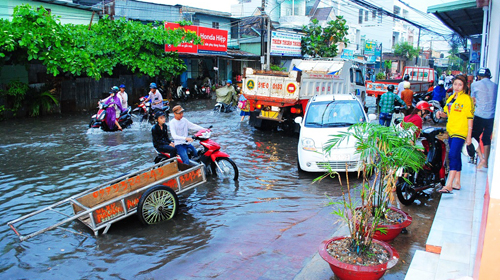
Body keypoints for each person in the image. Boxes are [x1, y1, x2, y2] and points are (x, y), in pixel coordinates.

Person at [436, 75, 475, 193]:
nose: (457, 87)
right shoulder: (451, 98)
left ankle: (449, 184)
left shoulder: (467, 99)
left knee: (452, 155)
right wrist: (440, 114)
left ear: (464, 86)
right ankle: (457, 182)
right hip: (451, 131)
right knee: (456, 156)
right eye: (455, 84)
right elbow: (448, 113)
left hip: (461, 131)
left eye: (460, 85)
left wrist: (469, 136)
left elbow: (470, 118)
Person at [471, 68, 498, 168]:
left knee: (475, 137)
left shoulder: (475, 85)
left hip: (479, 115)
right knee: (487, 138)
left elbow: (473, 100)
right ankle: (485, 162)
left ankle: (476, 157)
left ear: (478, 76)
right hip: (491, 116)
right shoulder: (495, 86)